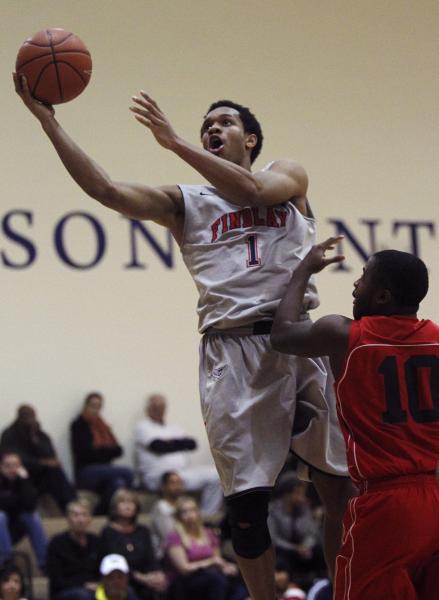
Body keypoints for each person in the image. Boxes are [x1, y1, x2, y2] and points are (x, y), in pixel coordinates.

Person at [14, 74, 352, 600]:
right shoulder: (186, 202)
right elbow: (104, 189)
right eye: (207, 125)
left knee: (340, 489)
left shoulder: (285, 174)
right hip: (231, 351)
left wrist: (175, 142)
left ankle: (345, 591)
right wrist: (48, 122)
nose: (214, 128)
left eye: (225, 122)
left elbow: (254, 190)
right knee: (245, 510)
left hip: (297, 339)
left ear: (251, 139)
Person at [270, 238, 439, 599]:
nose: (355, 284)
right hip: (434, 495)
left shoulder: (346, 335)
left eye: (363, 277)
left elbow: (281, 334)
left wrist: (304, 270)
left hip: (384, 504)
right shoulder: (437, 340)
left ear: (382, 296)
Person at [135, 394, 223, 516]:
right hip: (157, 476)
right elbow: (158, 446)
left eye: (161, 407)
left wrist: (169, 443)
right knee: (173, 479)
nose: (158, 409)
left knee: (216, 475)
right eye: (155, 406)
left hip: (182, 472)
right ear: (148, 409)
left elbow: (192, 444)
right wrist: (179, 443)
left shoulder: (173, 427)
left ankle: (207, 516)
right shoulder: (143, 426)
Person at [165, 496, 247, 600]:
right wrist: (210, 562)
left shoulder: (209, 533)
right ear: (178, 516)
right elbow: (184, 569)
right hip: (185, 580)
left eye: (192, 510)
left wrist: (226, 567)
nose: (189, 515)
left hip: (210, 574)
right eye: (184, 512)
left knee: (237, 576)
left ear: (198, 512)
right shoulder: (175, 536)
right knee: (216, 579)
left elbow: (217, 559)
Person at [0, 405, 76, 512]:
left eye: (31, 416)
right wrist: (42, 462)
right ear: (18, 417)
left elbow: (51, 456)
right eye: (25, 416)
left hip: (42, 475)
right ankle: (70, 504)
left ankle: (71, 504)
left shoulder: (40, 435)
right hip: (21, 475)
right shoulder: (9, 434)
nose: (29, 419)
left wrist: (35, 439)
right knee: (52, 472)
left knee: (56, 471)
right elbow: (16, 460)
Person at [70, 393, 133, 514]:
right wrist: (107, 451)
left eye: (98, 406)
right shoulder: (78, 425)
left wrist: (100, 450)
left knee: (118, 483)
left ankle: (99, 513)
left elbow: (119, 450)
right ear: (85, 406)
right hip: (86, 472)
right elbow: (86, 454)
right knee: (128, 473)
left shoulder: (103, 426)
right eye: (92, 405)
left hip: (105, 471)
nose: (95, 409)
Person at [99, 489, 167, 600]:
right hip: (120, 579)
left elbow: (151, 557)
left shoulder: (143, 531)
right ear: (114, 507)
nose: (128, 506)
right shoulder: (108, 532)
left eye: (131, 502)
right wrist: (141, 577)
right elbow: (114, 562)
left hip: (146, 577)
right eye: (123, 502)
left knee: (164, 585)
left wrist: (157, 574)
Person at [268, 474, 325, 586]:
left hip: (302, 550)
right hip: (285, 550)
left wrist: (305, 546)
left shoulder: (303, 508)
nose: (302, 496)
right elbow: (274, 539)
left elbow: (311, 533)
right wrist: (295, 549)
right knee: (281, 557)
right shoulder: (273, 510)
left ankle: (321, 582)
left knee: (318, 550)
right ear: (287, 494)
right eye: (298, 492)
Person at [0, 452, 47, 570]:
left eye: (15, 465)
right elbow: (3, 503)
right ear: (0, 466)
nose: (12, 469)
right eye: (8, 465)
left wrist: (25, 480)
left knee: (32, 517)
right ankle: (7, 562)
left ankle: (45, 563)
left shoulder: (23, 481)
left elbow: (30, 505)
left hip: (13, 529)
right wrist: (18, 501)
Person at [46, 498, 100, 600]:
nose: (80, 520)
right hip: (65, 592)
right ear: (68, 518)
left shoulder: (96, 541)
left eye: (84, 515)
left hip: (94, 589)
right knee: (84, 596)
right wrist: (85, 585)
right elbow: (57, 580)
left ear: (90, 519)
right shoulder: (56, 543)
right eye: (76, 515)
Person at [150, 472, 185, 555]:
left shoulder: (184, 503)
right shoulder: (161, 507)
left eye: (179, 483)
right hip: (167, 551)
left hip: (187, 546)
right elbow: (169, 536)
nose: (177, 486)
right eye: (173, 483)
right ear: (164, 486)